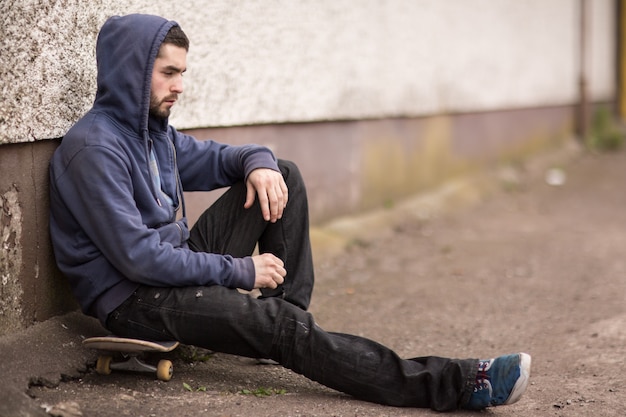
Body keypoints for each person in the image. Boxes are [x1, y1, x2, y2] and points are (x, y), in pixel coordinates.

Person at [49, 13, 531, 411]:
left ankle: (286, 318)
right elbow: (139, 259)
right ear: (132, 71)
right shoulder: (94, 149)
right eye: (168, 73)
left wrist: (259, 164)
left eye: (183, 74)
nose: (179, 86)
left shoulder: (156, 134)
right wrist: (242, 270)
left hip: (169, 269)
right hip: (135, 301)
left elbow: (228, 157)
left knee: (284, 174)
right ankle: (456, 382)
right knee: (283, 329)